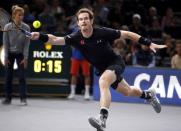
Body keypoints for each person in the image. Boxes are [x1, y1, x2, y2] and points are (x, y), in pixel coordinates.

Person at [31, 8, 166, 131]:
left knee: (103, 82)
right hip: (102, 69)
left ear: (91, 21)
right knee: (128, 91)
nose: (83, 21)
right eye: (81, 19)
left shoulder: (102, 32)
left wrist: (148, 43)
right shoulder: (76, 37)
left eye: (86, 19)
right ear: (78, 23)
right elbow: (55, 40)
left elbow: (128, 34)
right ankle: (148, 95)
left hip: (115, 63)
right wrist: (40, 36)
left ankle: (102, 119)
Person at [2, 5, 30, 105]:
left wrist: (25, 58)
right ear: (14, 15)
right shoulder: (7, 27)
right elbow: (5, 43)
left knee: (22, 77)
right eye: (19, 15)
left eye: (22, 15)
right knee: (8, 77)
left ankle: (23, 99)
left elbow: (27, 44)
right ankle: (7, 98)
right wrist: (5, 57)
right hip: (9, 54)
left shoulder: (26, 27)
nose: (21, 17)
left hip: (20, 55)